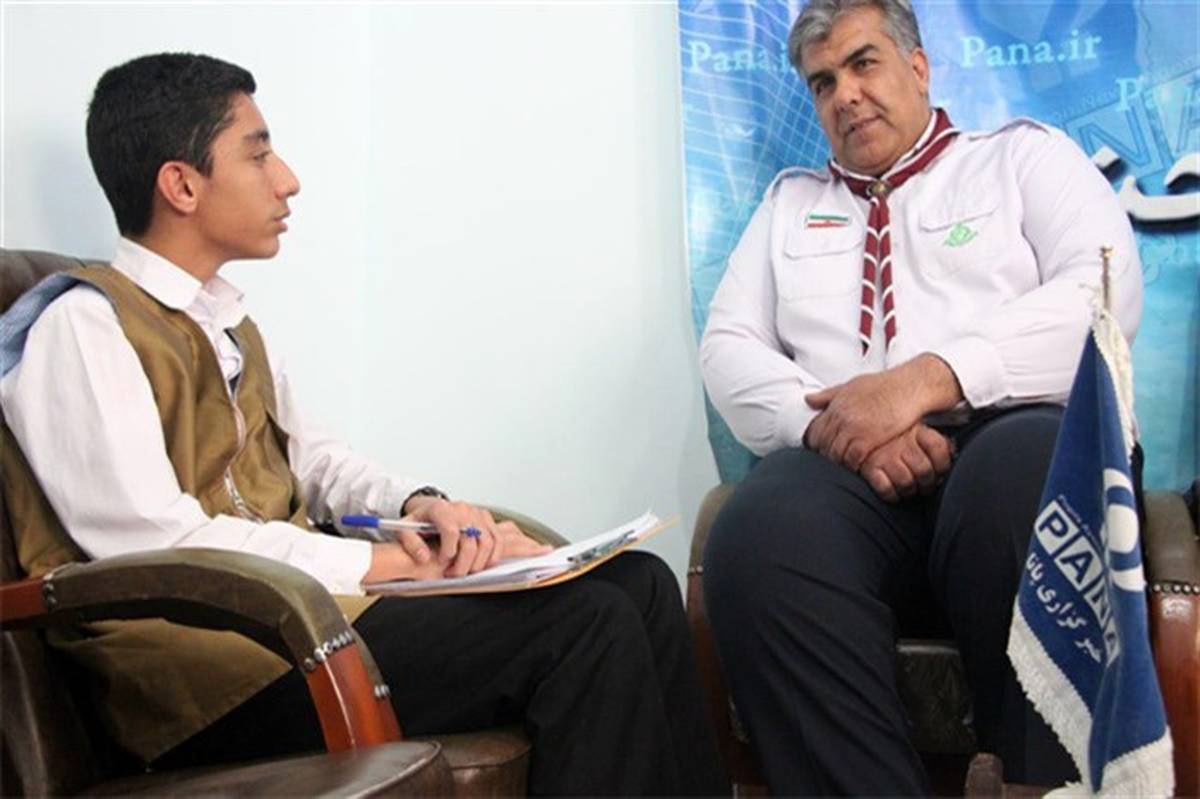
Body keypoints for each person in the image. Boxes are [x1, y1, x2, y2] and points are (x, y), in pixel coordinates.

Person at [0, 53, 726, 796]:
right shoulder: (81, 327)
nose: (287, 179)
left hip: (298, 628)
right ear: (182, 185)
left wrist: (421, 507)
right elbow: (156, 544)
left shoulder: (228, 322)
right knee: (586, 626)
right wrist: (389, 565)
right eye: (258, 154)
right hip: (207, 678)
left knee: (638, 583)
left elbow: (319, 463)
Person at [698, 0, 1142, 794]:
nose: (846, 94)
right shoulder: (788, 206)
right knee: (758, 531)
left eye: (863, 63)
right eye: (823, 82)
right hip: (848, 473)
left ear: (919, 67)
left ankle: (1040, 784)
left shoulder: (1020, 158)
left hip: (1005, 440)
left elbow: (1105, 295)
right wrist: (838, 426)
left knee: (1022, 473)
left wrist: (922, 382)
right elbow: (727, 350)